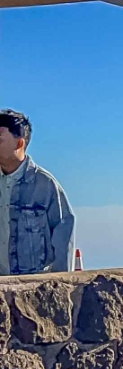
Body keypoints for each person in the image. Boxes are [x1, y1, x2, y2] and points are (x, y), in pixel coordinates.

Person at [0, 110, 66, 276]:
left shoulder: (45, 185)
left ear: (19, 143)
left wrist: (59, 283)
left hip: (32, 291)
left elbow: (64, 234)